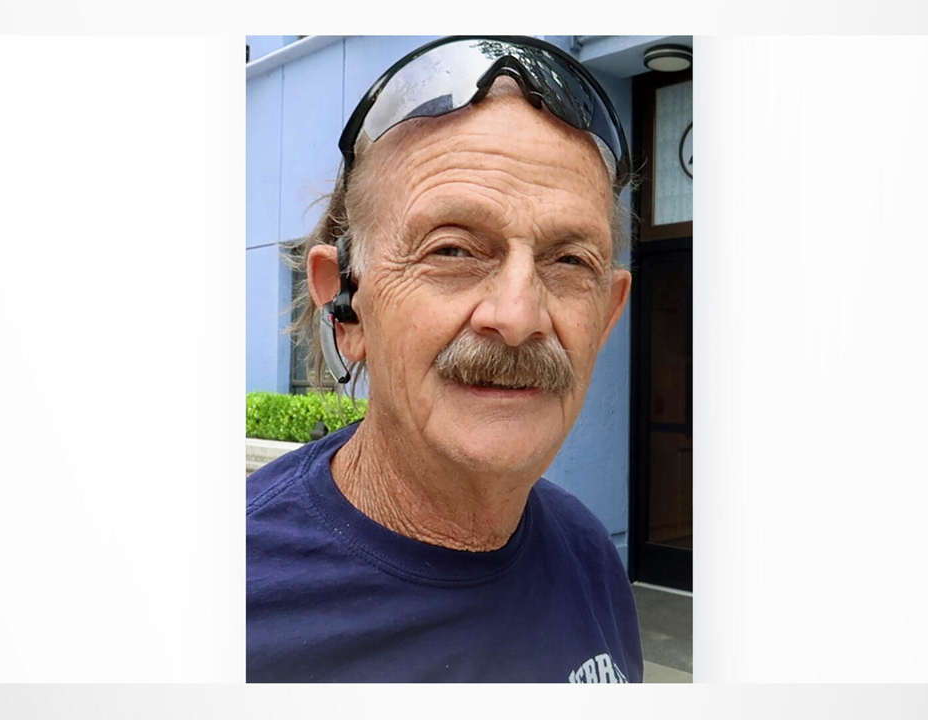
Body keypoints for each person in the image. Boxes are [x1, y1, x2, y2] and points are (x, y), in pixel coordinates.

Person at [246, 36, 640, 682]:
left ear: (606, 316)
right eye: (452, 250)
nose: (518, 317)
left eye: (569, 261)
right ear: (346, 307)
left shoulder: (591, 558)